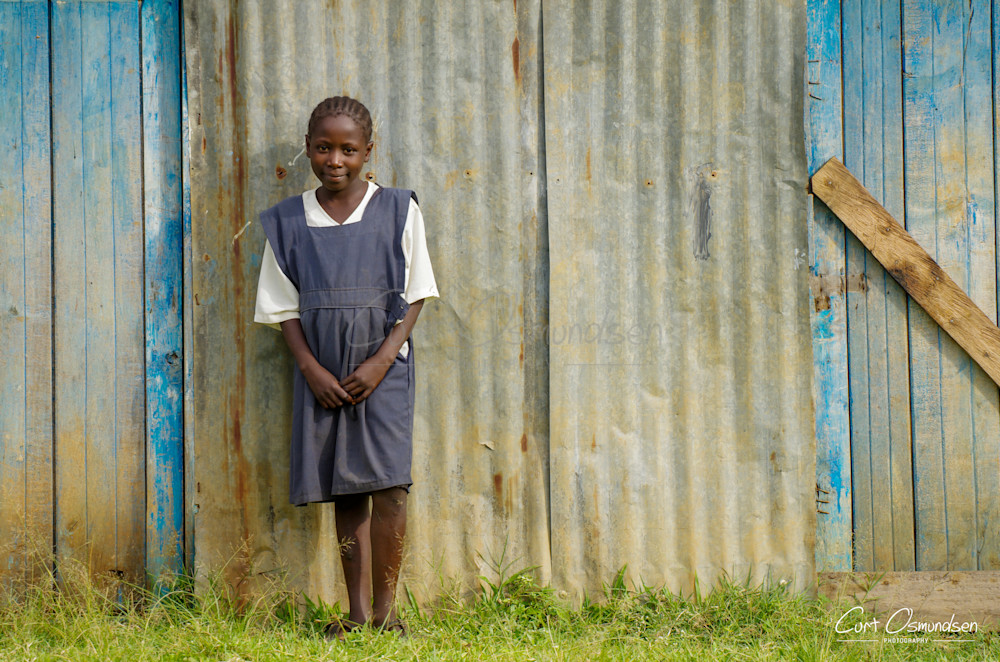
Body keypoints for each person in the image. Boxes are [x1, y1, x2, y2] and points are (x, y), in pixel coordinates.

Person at [254, 96, 438, 639]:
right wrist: (310, 369)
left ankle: (387, 615)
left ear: (367, 152)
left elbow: (418, 292)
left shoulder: (400, 209)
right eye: (323, 148)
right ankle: (356, 617)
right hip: (324, 378)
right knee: (347, 488)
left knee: (388, 487)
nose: (336, 159)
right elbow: (283, 306)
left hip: (382, 373)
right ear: (308, 149)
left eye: (348, 150)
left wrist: (383, 361)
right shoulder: (288, 221)